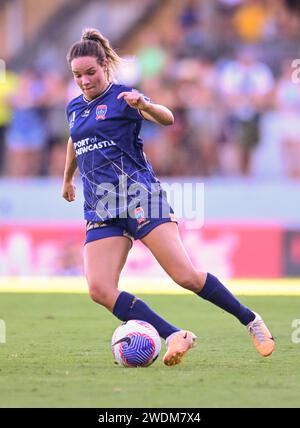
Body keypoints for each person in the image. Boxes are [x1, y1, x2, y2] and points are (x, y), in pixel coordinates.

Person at [62, 28, 275, 366]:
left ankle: (249, 319)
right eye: (78, 75)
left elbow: (167, 117)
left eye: (91, 72)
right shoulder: (74, 108)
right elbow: (75, 139)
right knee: (99, 289)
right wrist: (67, 179)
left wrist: (144, 103)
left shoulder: (123, 98)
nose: (85, 81)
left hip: (138, 196)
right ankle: (174, 334)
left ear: (105, 66)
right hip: (100, 205)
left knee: (185, 276)